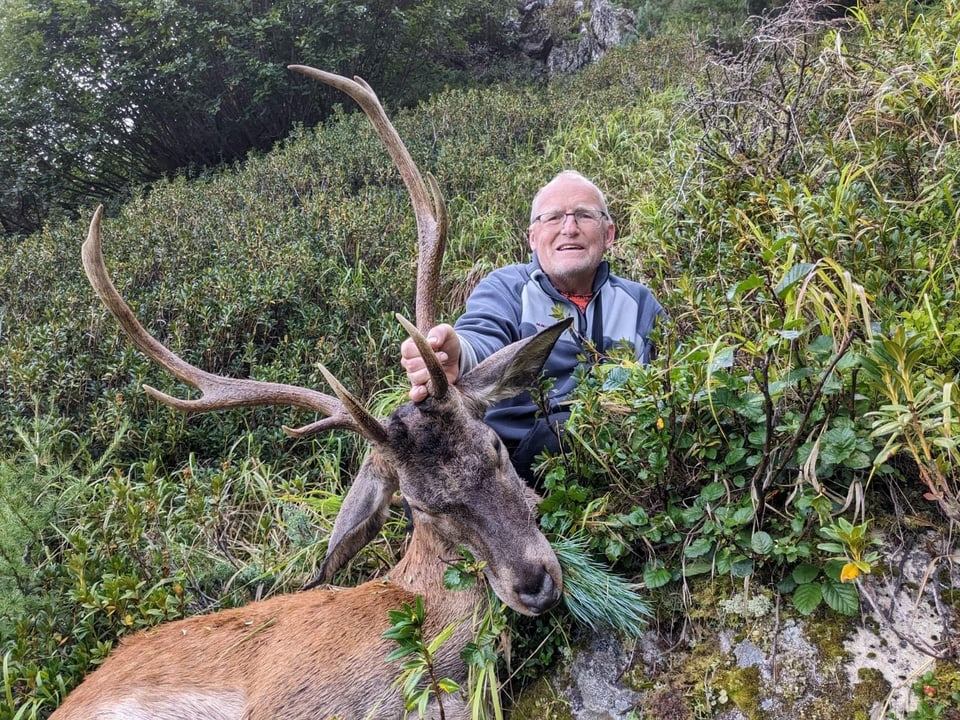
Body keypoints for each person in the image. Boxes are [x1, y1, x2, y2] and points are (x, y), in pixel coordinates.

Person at [400, 170, 664, 484]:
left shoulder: (640, 303)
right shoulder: (507, 289)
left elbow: (670, 382)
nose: (569, 228)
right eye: (552, 218)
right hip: (518, 471)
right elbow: (482, 335)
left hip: (625, 463)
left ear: (608, 233)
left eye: (584, 215)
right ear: (533, 238)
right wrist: (458, 353)